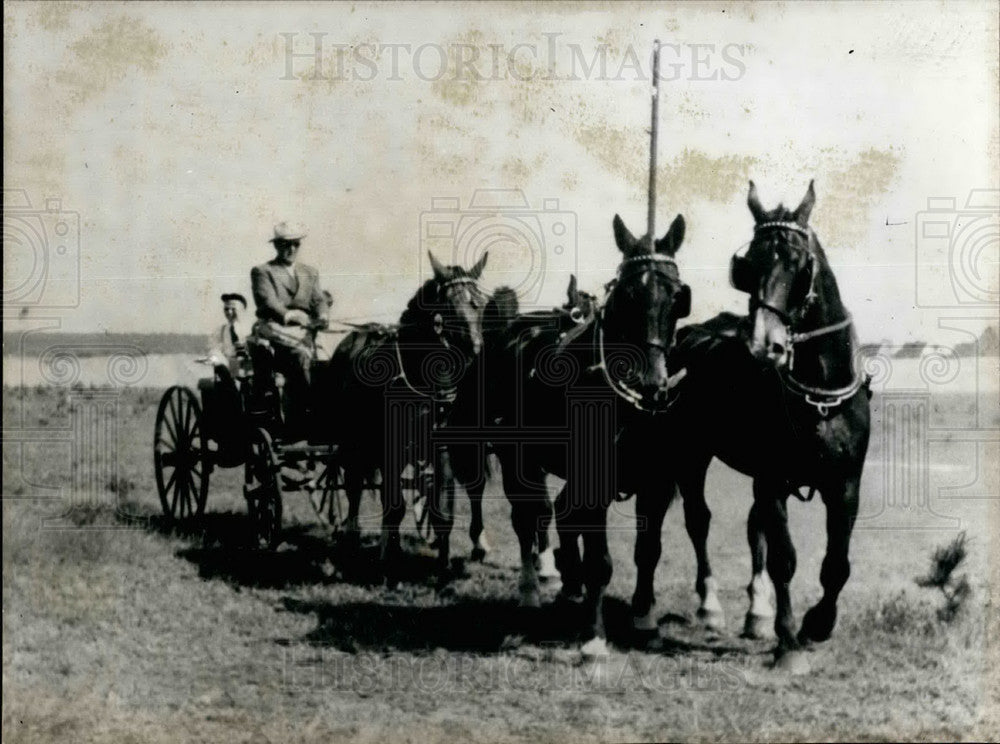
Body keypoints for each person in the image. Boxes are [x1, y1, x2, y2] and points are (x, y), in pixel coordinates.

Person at [250, 221, 329, 436]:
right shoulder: (262, 272)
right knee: (302, 354)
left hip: (306, 330)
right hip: (273, 328)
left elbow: (319, 299)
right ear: (276, 246)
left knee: (329, 357)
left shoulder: (310, 272)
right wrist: (291, 315)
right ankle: (308, 413)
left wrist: (322, 315)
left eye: (295, 244)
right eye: (285, 244)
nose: (291, 249)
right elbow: (268, 302)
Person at [206, 293, 250, 376]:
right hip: (228, 367)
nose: (229, 312)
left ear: (242, 309)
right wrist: (218, 359)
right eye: (226, 309)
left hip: (250, 367)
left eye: (233, 309)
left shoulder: (251, 328)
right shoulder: (220, 330)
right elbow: (212, 348)